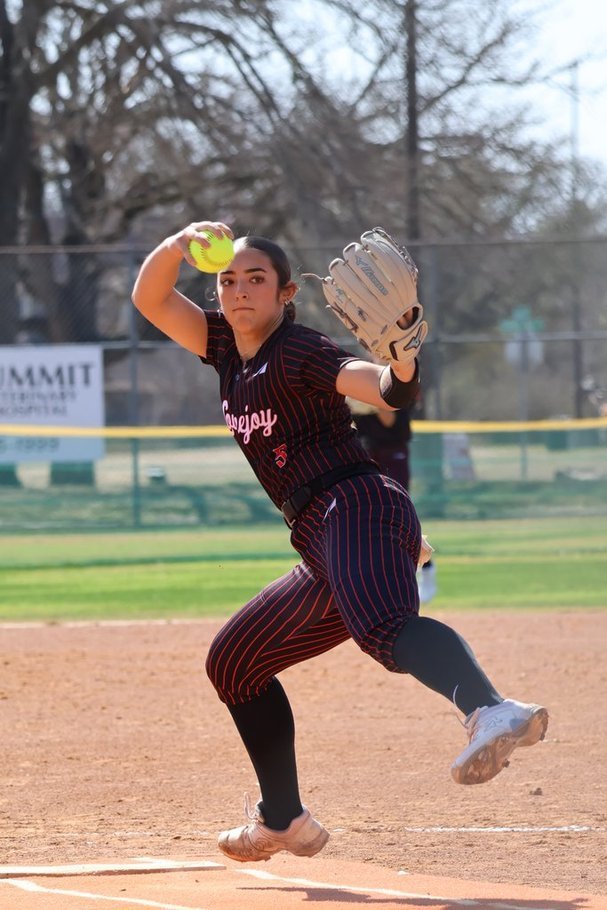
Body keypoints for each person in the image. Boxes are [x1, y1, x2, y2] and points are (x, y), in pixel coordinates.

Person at [132, 220, 548, 864]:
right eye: (228, 281)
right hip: (319, 535)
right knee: (235, 661)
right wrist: (177, 245)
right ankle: (283, 818)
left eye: (256, 280)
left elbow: (383, 388)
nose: (239, 291)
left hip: (355, 506)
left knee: (384, 630)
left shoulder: (297, 349)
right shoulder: (222, 349)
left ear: (285, 293)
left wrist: (403, 361)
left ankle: (491, 710)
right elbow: (151, 299)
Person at [352, 399, 438, 603]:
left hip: (392, 453)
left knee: (397, 515)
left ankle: (425, 567)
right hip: (364, 454)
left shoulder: (389, 376)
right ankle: (376, 582)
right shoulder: (349, 374)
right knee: (364, 518)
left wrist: (367, 398)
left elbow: (389, 418)